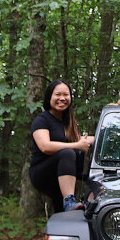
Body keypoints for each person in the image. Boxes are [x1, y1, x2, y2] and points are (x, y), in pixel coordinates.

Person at [29, 79, 94, 213]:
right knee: (68, 152)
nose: (62, 98)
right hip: (43, 173)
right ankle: (69, 201)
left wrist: (103, 137)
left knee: (63, 215)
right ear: (49, 97)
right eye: (58, 95)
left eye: (66, 95)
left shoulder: (68, 122)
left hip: (65, 174)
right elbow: (45, 146)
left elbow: (80, 141)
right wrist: (76, 145)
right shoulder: (42, 120)